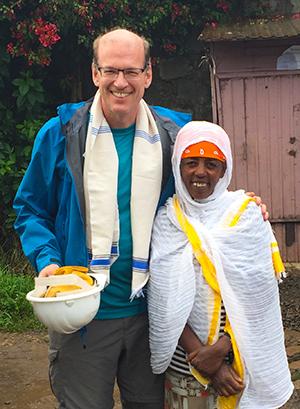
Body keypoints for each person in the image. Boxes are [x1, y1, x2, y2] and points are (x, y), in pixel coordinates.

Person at [13, 28, 268, 409]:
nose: (121, 82)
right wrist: (48, 261)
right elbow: (31, 208)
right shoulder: (63, 133)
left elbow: (204, 192)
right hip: (83, 314)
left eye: (131, 71)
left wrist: (243, 207)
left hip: (154, 315)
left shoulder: (172, 135)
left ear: (148, 74)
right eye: (111, 70)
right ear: (95, 73)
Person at [148, 121, 294, 409]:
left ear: (224, 170)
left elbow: (259, 300)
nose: (200, 172)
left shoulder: (245, 215)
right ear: (178, 166)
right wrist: (206, 362)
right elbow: (164, 305)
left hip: (242, 356)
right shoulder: (168, 221)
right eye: (191, 162)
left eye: (211, 164)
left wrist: (222, 349)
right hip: (187, 365)